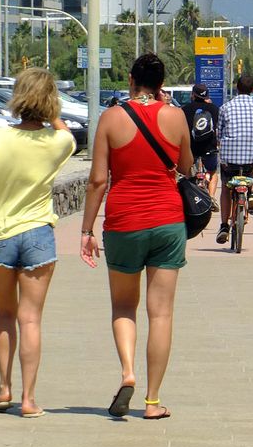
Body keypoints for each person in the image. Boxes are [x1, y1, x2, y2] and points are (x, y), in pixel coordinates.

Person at [80, 54, 193, 420]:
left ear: (131, 80)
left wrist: (86, 230)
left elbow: (98, 180)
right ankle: (152, 401)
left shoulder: (111, 118)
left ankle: (128, 372)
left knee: (124, 306)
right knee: (161, 314)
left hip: (123, 220)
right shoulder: (176, 117)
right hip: (167, 220)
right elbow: (187, 167)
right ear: (162, 83)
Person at [0, 68, 76, 418]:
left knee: (5, 314)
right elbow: (66, 134)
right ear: (51, 101)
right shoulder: (58, 142)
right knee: (30, 319)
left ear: (18, 97)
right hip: (38, 236)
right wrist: (52, 113)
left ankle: (4, 389)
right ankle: (29, 400)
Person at [214, 73, 253, 245]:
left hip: (229, 159)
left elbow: (219, 134)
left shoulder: (225, 107)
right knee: (252, 168)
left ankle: (224, 225)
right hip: (250, 156)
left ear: (237, 89)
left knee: (225, 187)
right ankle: (251, 193)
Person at [182, 84, 220, 210]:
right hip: (209, 148)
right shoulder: (214, 109)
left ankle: (190, 196)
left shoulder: (185, 109)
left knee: (187, 172)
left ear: (193, 95)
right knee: (213, 172)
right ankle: (212, 196)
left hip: (191, 149)